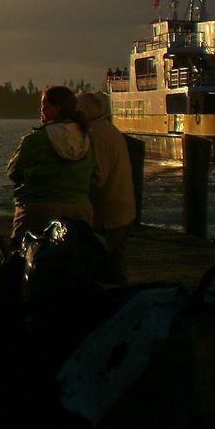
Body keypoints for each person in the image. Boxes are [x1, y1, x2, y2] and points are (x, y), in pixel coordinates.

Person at [7, 85, 95, 241]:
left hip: (39, 209)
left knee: (19, 252)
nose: (41, 109)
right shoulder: (85, 138)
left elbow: (14, 171)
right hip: (79, 209)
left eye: (44, 104)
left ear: (57, 108)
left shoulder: (36, 139)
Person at [76, 90, 137, 284]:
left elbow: (97, 178)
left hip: (107, 216)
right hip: (122, 211)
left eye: (76, 112)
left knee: (99, 266)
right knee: (115, 264)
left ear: (85, 112)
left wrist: (76, 193)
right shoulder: (110, 130)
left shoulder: (95, 135)